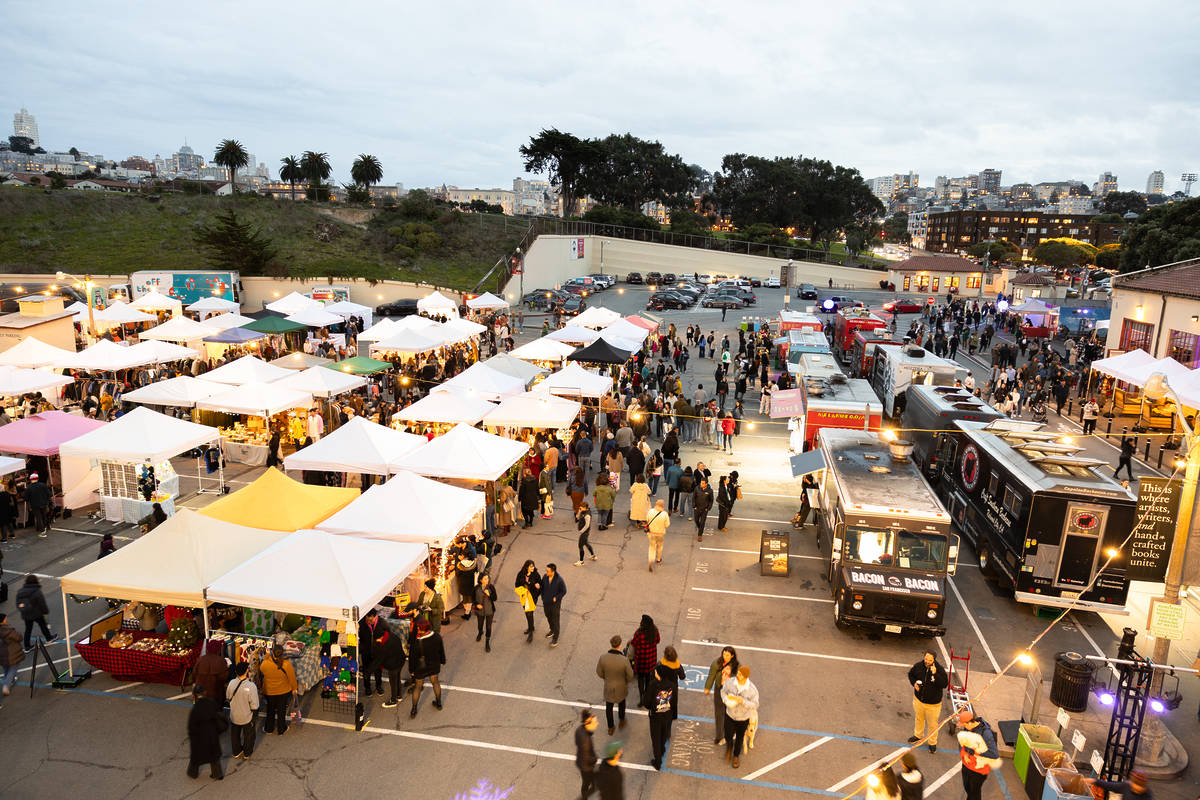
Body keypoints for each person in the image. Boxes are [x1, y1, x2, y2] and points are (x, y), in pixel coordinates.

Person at [646, 646, 686, 770]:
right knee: (667, 719)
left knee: (655, 734)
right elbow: (683, 676)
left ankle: (658, 757)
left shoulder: (660, 666)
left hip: (658, 699)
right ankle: (667, 733)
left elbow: (652, 678)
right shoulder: (677, 665)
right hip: (671, 693)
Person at [908, 651, 948, 752]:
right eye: (926, 659)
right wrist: (914, 683)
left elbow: (944, 684)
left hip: (933, 705)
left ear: (934, 660)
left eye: (930, 660)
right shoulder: (918, 666)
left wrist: (935, 674)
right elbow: (910, 674)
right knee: (919, 719)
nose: (927, 661)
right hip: (919, 701)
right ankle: (918, 735)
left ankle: (932, 743)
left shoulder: (939, 669)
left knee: (932, 725)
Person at [956, 709, 1001, 800]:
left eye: (964, 725)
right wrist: (964, 753)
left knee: (974, 794)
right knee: (968, 789)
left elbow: (994, 754)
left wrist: (972, 752)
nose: (963, 727)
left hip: (978, 771)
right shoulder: (968, 728)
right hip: (967, 766)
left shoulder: (986, 734)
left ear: (969, 723)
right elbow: (961, 742)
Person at [720, 665, 759, 769]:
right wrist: (725, 699)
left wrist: (743, 701)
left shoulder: (752, 690)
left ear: (745, 677)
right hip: (730, 714)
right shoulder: (730, 682)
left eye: (740, 674)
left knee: (739, 738)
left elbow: (755, 705)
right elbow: (723, 691)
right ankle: (729, 747)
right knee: (728, 735)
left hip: (743, 718)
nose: (737, 675)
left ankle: (736, 756)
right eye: (738, 673)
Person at [596, 634, 635, 735]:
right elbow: (630, 675)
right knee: (622, 704)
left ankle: (610, 727)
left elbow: (599, 672)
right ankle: (621, 720)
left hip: (609, 686)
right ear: (620, 645)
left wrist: (606, 678)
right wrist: (625, 681)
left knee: (609, 708)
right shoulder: (624, 660)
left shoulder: (603, 658)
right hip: (621, 687)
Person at [186, 685, 226, 780]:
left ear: (194, 695)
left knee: (196, 757)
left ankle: (193, 773)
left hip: (199, 738)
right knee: (214, 757)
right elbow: (218, 716)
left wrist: (192, 737)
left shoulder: (195, 709)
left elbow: (191, 727)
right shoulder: (212, 702)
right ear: (205, 693)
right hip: (212, 735)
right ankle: (217, 774)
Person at [409, 617, 446, 717]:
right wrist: (442, 661)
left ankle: (414, 710)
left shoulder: (416, 642)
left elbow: (412, 658)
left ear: (421, 629)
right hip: (434, 665)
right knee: (435, 682)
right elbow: (441, 650)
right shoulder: (437, 636)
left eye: (418, 627)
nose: (417, 629)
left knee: (418, 687)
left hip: (420, 667)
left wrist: (411, 670)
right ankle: (438, 703)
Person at [258, 644, 298, 735]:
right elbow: (292, 678)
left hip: (269, 691)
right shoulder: (286, 664)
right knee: (281, 710)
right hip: (283, 691)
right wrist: (294, 688)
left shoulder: (266, 663)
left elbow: (261, 669)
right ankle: (281, 729)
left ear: (273, 652)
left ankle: (269, 729)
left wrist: (267, 655)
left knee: (270, 710)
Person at [704, 646, 739, 745]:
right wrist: (707, 687)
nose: (725, 657)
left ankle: (731, 732)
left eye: (727, 655)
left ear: (732, 656)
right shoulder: (717, 663)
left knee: (730, 713)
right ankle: (719, 736)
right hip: (719, 689)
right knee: (719, 713)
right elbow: (712, 675)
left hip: (731, 692)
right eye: (724, 654)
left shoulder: (736, 666)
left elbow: (739, 679)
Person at [367, 624, 408, 707]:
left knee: (393, 682)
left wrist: (368, 671)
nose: (377, 640)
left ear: (380, 637)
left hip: (393, 665)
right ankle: (399, 695)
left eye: (377, 639)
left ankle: (393, 700)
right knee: (397, 678)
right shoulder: (392, 635)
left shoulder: (385, 645)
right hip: (400, 660)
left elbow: (378, 661)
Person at [226, 662, 260, 759]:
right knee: (249, 735)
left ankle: (236, 751)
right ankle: (247, 752)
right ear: (246, 671)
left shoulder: (231, 683)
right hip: (246, 716)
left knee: (235, 735)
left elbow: (228, 697)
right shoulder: (251, 686)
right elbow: (255, 705)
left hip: (234, 715)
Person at [15, 574, 57, 652]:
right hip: (36, 613)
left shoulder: (20, 591)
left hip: (26, 614)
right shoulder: (37, 591)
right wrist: (45, 611)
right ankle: (49, 638)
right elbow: (42, 603)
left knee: (28, 629)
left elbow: (18, 603)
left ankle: (27, 646)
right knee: (43, 625)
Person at [629, 614, 660, 708]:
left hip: (641, 661)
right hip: (651, 661)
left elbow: (633, 643)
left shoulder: (639, 633)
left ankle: (642, 698)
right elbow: (658, 640)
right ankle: (647, 697)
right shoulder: (655, 631)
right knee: (648, 679)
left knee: (640, 679)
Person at [359, 607, 388, 696]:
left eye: (371, 620)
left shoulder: (382, 623)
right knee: (366, 671)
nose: (369, 622)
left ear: (376, 617)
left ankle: (378, 686)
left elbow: (388, 634)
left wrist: (382, 642)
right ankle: (367, 688)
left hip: (377, 652)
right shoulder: (361, 623)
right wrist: (362, 648)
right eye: (368, 620)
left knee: (378, 671)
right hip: (366, 652)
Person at [514, 560, 541, 643]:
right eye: (531, 566)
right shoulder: (521, 574)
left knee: (529, 613)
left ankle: (530, 633)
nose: (533, 568)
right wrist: (522, 591)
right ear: (526, 567)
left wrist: (537, 586)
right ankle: (531, 627)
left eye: (533, 566)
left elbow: (540, 584)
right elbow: (517, 584)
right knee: (528, 613)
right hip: (524, 597)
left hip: (532, 597)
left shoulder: (536, 574)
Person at [575, 709, 600, 798]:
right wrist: (595, 759)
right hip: (586, 767)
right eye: (595, 722)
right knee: (588, 784)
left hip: (583, 763)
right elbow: (587, 758)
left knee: (588, 782)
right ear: (587, 723)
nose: (597, 723)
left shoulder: (580, 729)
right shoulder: (585, 740)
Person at [1085, 769, 1152, 800]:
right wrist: (1094, 781)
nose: (1135, 788)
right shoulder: (1127, 786)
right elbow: (1110, 785)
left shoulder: (1147, 795)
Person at [542, 562, 567, 646]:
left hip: (555, 604)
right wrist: (542, 596)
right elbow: (542, 587)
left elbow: (564, 591)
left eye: (548, 571)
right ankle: (552, 630)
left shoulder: (559, 580)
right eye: (546, 570)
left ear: (553, 572)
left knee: (555, 620)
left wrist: (557, 597)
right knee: (548, 616)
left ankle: (555, 638)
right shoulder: (545, 577)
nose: (546, 572)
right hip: (546, 602)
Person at [1, 611, 24, 697]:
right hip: (11, 652)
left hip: (1, 653)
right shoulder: (8, 630)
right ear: (3, 621)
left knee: (6, 668)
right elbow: (19, 637)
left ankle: (11, 680)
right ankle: (6, 686)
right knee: (13, 668)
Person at [473, 572, 498, 652]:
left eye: (488, 578)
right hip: (480, 611)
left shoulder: (491, 587)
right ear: (481, 580)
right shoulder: (476, 588)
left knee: (488, 627)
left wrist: (489, 594)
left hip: (489, 610)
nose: (487, 580)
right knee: (480, 625)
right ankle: (480, 632)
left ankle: (487, 642)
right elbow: (473, 599)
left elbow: (495, 598)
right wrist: (477, 604)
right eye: (485, 579)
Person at [24, 472, 52, 537]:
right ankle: (46, 527)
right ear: (37, 478)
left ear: (31, 479)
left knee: (39, 517)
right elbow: (49, 494)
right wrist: (46, 500)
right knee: (44, 516)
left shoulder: (29, 487)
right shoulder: (43, 485)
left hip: (35, 505)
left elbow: (26, 498)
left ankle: (42, 531)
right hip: (44, 504)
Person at [646, 500, 670, 571]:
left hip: (651, 532)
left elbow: (647, 519)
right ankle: (658, 559)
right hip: (660, 533)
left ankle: (651, 560)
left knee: (652, 547)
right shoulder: (664, 514)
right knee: (660, 546)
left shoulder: (650, 511)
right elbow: (667, 524)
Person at [575, 501, 598, 566]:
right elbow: (577, 518)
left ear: (585, 507)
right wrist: (579, 511)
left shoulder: (587, 515)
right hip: (584, 532)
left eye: (581, 507)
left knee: (580, 546)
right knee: (586, 543)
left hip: (585, 533)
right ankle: (593, 556)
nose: (580, 508)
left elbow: (587, 525)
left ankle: (581, 561)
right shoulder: (583, 512)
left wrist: (582, 531)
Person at [693, 476, 714, 541]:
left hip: (704, 509)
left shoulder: (710, 491)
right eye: (701, 483)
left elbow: (711, 500)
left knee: (702, 522)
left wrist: (708, 508)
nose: (701, 484)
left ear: (706, 484)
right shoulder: (697, 488)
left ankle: (700, 535)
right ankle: (700, 528)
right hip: (697, 508)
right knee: (696, 520)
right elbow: (693, 497)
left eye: (702, 483)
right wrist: (694, 506)